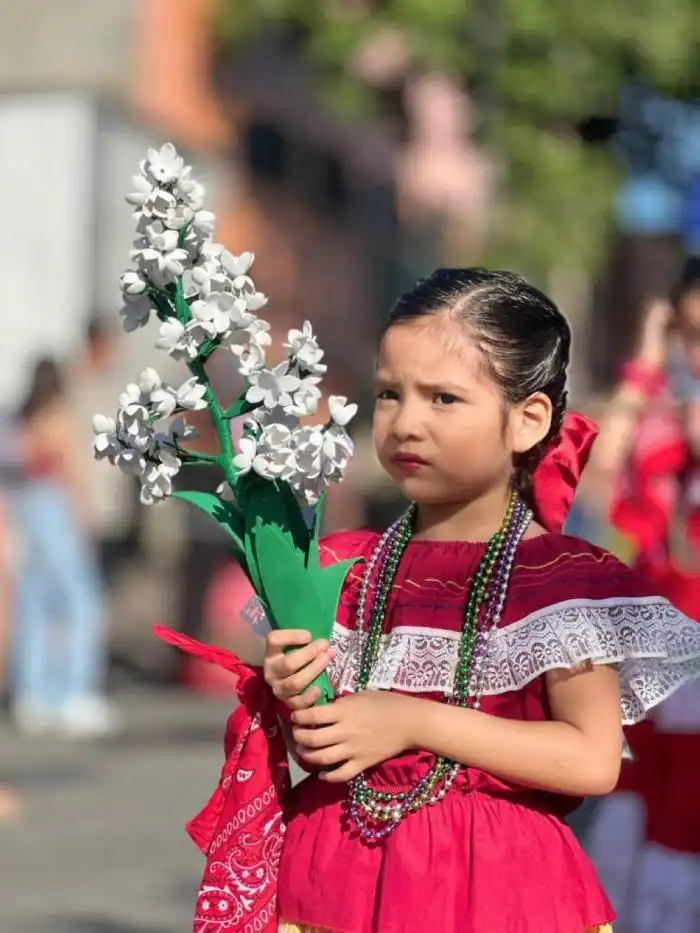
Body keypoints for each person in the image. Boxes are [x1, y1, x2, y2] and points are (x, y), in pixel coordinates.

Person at [157, 268, 700, 933]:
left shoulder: (560, 580)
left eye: (443, 398)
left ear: (528, 420)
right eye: (390, 394)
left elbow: (591, 759)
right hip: (331, 881)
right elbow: (322, 750)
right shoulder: (341, 566)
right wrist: (299, 691)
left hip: (494, 893)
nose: (406, 422)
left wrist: (413, 721)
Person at [581, 260, 700, 931]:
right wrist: (647, 361)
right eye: (688, 336)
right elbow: (602, 471)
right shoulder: (668, 445)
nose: (694, 357)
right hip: (660, 676)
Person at [11, 357, 117, 738]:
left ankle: (34, 694)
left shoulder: (22, 419)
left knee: (36, 607)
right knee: (82, 602)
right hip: (55, 511)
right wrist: (86, 513)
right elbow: (70, 469)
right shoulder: (57, 415)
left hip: (29, 511)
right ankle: (74, 693)